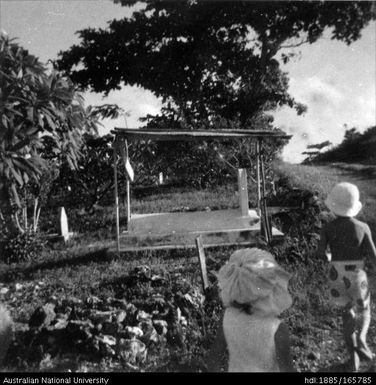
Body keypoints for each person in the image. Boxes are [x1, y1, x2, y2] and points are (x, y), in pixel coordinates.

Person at [205, 248, 295, 372]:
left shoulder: (227, 316)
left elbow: (213, 360)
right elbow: (287, 369)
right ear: (268, 288)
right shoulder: (277, 329)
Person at [317, 182, 376, 372]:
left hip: (336, 273)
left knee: (346, 315)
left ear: (333, 206)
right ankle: (362, 337)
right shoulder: (362, 227)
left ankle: (353, 361)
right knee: (364, 310)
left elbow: (320, 254)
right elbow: (373, 255)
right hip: (357, 273)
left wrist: (328, 258)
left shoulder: (327, 228)